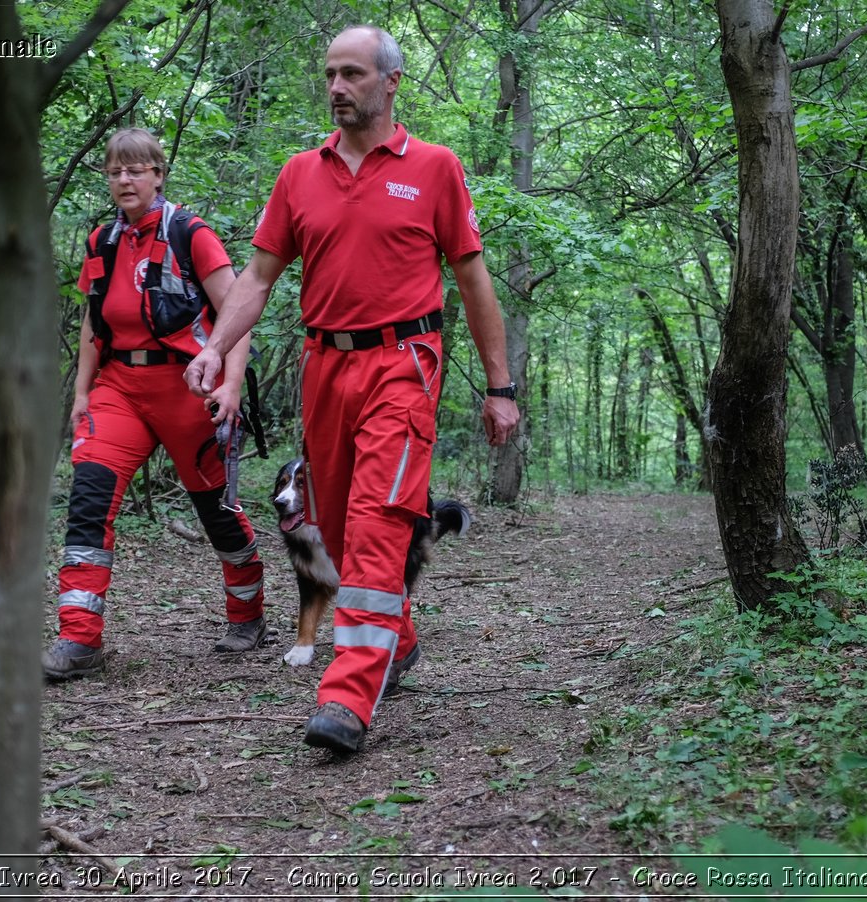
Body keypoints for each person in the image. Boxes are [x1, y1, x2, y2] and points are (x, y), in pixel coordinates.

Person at [185, 26, 521, 752]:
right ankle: (395, 639)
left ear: (391, 82)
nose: (337, 87)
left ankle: (346, 696)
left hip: (404, 364)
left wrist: (502, 386)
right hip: (323, 368)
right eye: (330, 74)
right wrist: (215, 348)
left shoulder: (434, 168)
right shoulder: (299, 174)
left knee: (377, 523)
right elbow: (258, 279)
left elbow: (472, 280)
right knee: (333, 525)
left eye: (353, 74)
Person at [43, 127, 269, 680]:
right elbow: (94, 323)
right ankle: (79, 639)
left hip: (189, 388)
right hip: (119, 389)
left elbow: (235, 316)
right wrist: (79, 394)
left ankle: (248, 613)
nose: (125, 179)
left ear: (158, 175)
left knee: (217, 512)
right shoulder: (102, 242)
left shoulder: (191, 234)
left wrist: (230, 388)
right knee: (89, 501)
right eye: (115, 170)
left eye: (136, 170)